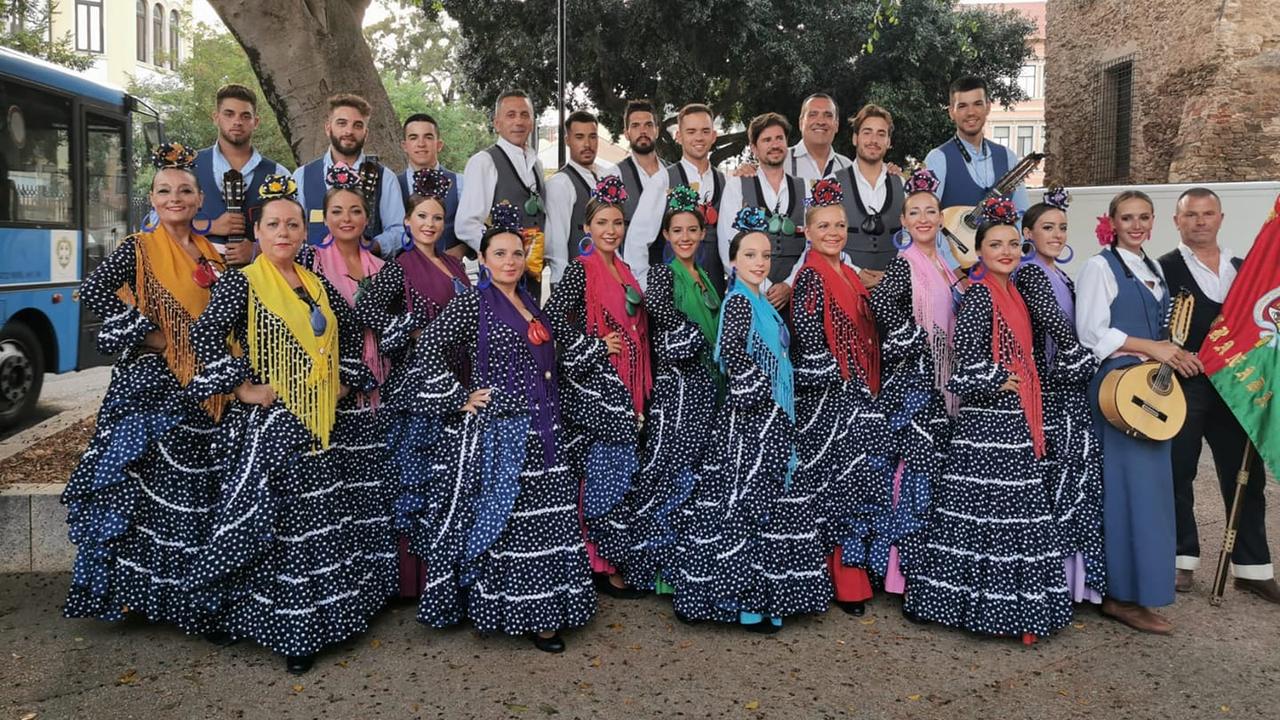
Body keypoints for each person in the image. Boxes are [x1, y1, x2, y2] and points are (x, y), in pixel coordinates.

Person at [187, 174, 382, 674]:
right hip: (273, 426)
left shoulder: (315, 281)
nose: (284, 233)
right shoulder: (243, 281)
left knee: (317, 526)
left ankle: (322, 621)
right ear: (259, 228)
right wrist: (244, 390)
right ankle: (289, 629)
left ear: (303, 231)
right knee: (285, 527)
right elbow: (205, 339)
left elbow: (345, 332)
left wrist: (340, 381)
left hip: (319, 423)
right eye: (273, 224)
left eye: (293, 224)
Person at [396, 202, 596, 653]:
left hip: (546, 429)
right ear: (482, 260)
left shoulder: (529, 302)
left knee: (549, 523)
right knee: (515, 523)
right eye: (499, 254)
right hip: (503, 433)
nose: (509, 261)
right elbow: (429, 346)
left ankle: (550, 606)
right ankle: (527, 614)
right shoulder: (472, 305)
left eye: (515, 254)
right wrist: (459, 395)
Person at [63, 143, 230, 638]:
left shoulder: (209, 253)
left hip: (202, 382)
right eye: (164, 191)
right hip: (152, 388)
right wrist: (151, 334)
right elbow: (92, 293)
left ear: (200, 200)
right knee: (148, 492)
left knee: (192, 492)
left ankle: (184, 596)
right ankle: (138, 594)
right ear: (153, 200)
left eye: (184, 191)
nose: (174, 198)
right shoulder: (137, 248)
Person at [904, 197, 1072, 643]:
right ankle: (986, 609)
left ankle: (1015, 610)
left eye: (1014, 244)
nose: (1006, 251)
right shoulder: (980, 295)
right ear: (979, 251)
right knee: (988, 518)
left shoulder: (1015, 292)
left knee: (1013, 518)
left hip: (1013, 421)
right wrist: (1000, 380)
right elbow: (964, 369)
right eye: (995, 244)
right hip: (987, 426)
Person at [672, 209, 830, 631]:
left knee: (771, 507)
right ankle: (741, 602)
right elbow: (733, 353)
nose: (759, 263)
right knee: (747, 505)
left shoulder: (762, 300)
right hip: (750, 424)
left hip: (774, 418)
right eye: (750, 255)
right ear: (734, 261)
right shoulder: (740, 300)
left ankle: (764, 597)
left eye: (764, 256)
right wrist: (755, 392)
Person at [1076, 190, 1202, 634]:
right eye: (1126, 218)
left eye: (1143, 217)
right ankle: (1121, 595)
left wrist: (1173, 355)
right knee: (1126, 493)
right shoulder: (1099, 266)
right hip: (1118, 390)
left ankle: (1144, 590)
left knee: (1152, 493)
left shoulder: (1153, 268)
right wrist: (1155, 349)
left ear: (1154, 222)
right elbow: (1092, 332)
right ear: (1111, 222)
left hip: (1152, 387)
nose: (1136, 225)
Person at [593, 185, 722, 595]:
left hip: (705, 390)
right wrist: (694, 337)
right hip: (678, 391)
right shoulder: (665, 274)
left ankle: (686, 566)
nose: (685, 237)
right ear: (665, 235)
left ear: (702, 233)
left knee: (695, 476)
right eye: (677, 230)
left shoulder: (704, 276)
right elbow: (659, 310)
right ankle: (654, 570)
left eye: (692, 230)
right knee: (668, 474)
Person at [1159, 188, 1280, 603]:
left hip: (1236, 387)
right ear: (1177, 221)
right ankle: (1181, 558)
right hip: (1187, 383)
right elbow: (1158, 325)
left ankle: (1253, 568)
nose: (1200, 221)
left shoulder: (1246, 270)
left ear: (1220, 217)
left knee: (1245, 475)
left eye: (1207, 213)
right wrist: (1175, 354)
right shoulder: (1163, 270)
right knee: (1179, 471)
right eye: (1191, 215)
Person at [358, 169, 472, 598]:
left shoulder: (456, 263)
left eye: (437, 217)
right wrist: (408, 332)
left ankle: (451, 574)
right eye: (422, 216)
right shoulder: (400, 266)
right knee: (421, 475)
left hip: (458, 374)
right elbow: (365, 308)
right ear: (407, 221)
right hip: (421, 384)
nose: (430, 224)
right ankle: (417, 580)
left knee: (452, 474)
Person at [296, 163, 399, 602]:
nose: (346, 219)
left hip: (379, 383)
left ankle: (377, 586)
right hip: (334, 388)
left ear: (366, 218)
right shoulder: (310, 263)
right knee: (339, 486)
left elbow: (392, 326)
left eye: (355, 210)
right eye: (337, 210)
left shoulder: (384, 267)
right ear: (325, 216)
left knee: (373, 486)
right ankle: (344, 584)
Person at [544, 175, 651, 599]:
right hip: (598, 387)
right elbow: (549, 321)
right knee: (601, 470)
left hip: (629, 381)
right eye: (602, 222)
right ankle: (598, 563)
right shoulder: (579, 270)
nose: (611, 230)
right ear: (586, 228)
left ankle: (607, 558)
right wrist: (591, 345)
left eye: (618, 222)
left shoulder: (623, 269)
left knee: (620, 470)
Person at [789, 179, 885, 617]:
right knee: (833, 486)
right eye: (823, 225)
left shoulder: (850, 274)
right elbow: (810, 340)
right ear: (807, 232)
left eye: (840, 225)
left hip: (856, 391)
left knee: (854, 483)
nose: (833, 232)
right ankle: (836, 581)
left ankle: (850, 577)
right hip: (829, 398)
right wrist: (840, 387)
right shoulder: (810, 276)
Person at [867, 168, 957, 604]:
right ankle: (899, 574)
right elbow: (882, 303)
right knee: (912, 471)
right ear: (903, 221)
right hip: (915, 383)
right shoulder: (905, 264)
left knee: (928, 469)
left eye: (930, 211)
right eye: (914, 212)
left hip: (939, 379)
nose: (923, 218)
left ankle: (918, 567)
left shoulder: (944, 264)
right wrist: (913, 342)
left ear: (941, 218)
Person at [1013, 188, 1106, 605]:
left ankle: (1071, 580)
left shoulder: (1059, 273)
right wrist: (1078, 356)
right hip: (1052, 389)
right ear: (1028, 232)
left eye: (1063, 227)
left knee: (1072, 478)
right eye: (1048, 227)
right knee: (1061, 478)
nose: (1057, 234)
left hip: (1064, 385)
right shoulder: (1032, 272)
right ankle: (1056, 579)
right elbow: (1052, 321)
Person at [625, 103, 725, 292]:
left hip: (715, 288)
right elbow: (636, 242)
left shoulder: (725, 181)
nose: (698, 137)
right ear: (679, 136)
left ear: (714, 136)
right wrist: (648, 289)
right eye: (691, 131)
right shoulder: (662, 180)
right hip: (673, 292)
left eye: (705, 131)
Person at [293, 93, 405, 255]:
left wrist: (373, 246)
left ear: (366, 134)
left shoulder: (385, 177)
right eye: (342, 123)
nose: (349, 131)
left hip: (369, 275)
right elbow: (292, 227)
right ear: (328, 127)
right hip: (314, 276)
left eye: (358, 125)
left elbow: (399, 230)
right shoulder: (301, 176)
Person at [715, 112, 806, 308]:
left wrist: (789, 285)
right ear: (754, 148)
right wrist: (763, 286)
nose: (774, 145)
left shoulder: (804, 187)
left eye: (779, 138)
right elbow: (728, 245)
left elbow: (813, 245)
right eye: (766, 140)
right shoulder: (737, 186)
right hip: (750, 295)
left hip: (797, 297)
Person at [194, 84, 290, 266]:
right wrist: (212, 226)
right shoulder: (190, 168)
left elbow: (297, 233)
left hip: (259, 282)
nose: (237, 122)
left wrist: (257, 249)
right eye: (229, 114)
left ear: (256, 122)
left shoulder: (278, 175)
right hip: (195, 279)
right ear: (216, 118)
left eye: (245, 116)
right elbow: (160, 224)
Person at [456, 90, 546, 255]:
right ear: (497, 123)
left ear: (532, 123)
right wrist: (499, 252)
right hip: (499, 272)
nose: (518, 121)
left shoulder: (537, 164)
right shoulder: (483, 162)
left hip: (533, 271)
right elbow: (466, 225)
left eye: (524, 115)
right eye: (511, 115)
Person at [924, 76, 1030, 213]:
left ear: (988, 107)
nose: (971, 112)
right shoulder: (937, 159)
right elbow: (923, 217)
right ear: (951, 112)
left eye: (977, 104)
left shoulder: (1008, 157)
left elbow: (1022, 214)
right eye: (962, 106)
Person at [544, 110, 618, 285]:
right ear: (567, 140)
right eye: (579, 137)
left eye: (592, 137)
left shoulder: (605, 176)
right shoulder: (560, 183)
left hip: (609, 277)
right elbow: (556, 244)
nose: (587, 144)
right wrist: (562, 288)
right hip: (579, 282)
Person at [833, 104, 903, 282]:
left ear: (888, 141)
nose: (874, 140)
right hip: (845, 287)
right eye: (867, 132)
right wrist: (856, 273)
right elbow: (820, 240)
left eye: (881, 134)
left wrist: (890, 276)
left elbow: (914, 240)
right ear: (855, 138)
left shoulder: (902, 184)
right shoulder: (831, 184)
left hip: (894, 292)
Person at [397, 113, 465, 259]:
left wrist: (460, 251)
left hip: (450, 272)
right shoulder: (393, 185)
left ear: (439, 145)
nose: (421, 144)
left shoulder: (460, 182)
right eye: (413, 137)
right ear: (404, 146)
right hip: (403, 273)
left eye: (428, 137)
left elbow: (473, 227)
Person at [614, 99, 668, 225]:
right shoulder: (614, 175)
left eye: (649, 125)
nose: (643, 131)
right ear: (626, 133)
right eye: (635, 125)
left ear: (657, 131)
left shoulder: (674, 173)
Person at [788, 93, 853, 183]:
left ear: (836, 125)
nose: (821, 121)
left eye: (828, 115)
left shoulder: (847, 167)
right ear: (801, 123)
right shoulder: (782, 162)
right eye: (813, 114)